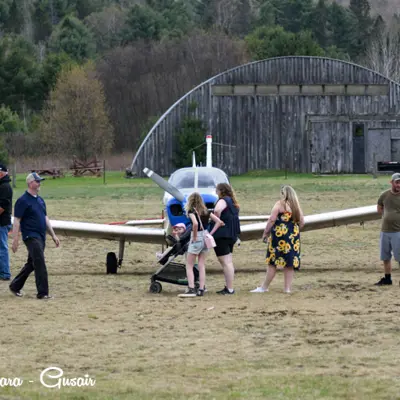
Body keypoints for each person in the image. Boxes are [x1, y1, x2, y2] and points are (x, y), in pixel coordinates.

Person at [9, 172, 60, 299]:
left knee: (32, 263)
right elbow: (16, 221)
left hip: (41, 236)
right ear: (30, 183)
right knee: (40, 262)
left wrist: (53, 235)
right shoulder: (22, 201)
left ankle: (15, 286)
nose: (39, 183)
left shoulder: (40, 200)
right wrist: (15, 239)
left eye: (40, 181)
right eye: (37, 181)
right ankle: (43, 293)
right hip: (30, 236)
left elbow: (45, 218)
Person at [251, 185, 304, 294]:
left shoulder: (280, 204)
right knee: (289, 263)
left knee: (273, 262)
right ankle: (287, 289)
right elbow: (302, 222)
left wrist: (265, 233)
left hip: (279, 238)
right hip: (293, 239)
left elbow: (272, 220)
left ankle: (264, 287)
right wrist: (294, 231)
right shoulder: (296, 206)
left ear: (283, 194)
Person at [178, 192, 223, 298]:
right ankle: (201, 288)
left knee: (189, 265)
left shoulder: (191, 211)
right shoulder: (206, 211)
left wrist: (194, 236)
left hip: (197, 238)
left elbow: (195, 224)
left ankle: (191, 288)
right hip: (205, 237)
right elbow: (219, 222)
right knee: (201, 265)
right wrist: (210, 233)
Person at [212, 183, 241, 295]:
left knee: (225, 262)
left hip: (222, 234)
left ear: (221, 191)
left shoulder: (222, 200)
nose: (216, 192)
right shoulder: (232, 202)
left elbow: (217, 210)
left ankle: (229, 289)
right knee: (228, 261)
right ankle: (229, 287)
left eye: (217, 190)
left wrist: (215, 219)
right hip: (231, 234)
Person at [375, 172, 400, 285]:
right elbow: (379, 206)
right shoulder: (384, 195)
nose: (399, 185)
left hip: (397, 232)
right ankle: (387, 278)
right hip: (385, 231)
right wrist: (385, 216)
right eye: (397, 182)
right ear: (392, 183)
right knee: (385, 256)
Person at [0, 164, 12, 280]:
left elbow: (3, 206)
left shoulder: (5, 186)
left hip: (2, 222)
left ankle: (5, 273)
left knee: (2, 248)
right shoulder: (2, 185)